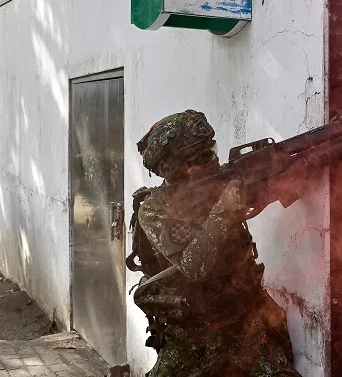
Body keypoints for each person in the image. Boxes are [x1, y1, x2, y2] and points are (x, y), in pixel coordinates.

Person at [127, 110, 303, 377]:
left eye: (213, 149)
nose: (215, 159)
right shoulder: (154, 209)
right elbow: (194, 266)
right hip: (191, 333)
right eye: (203, 156)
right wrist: (225, 207)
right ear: (175, 168)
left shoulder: (218, 184)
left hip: (242, 320)